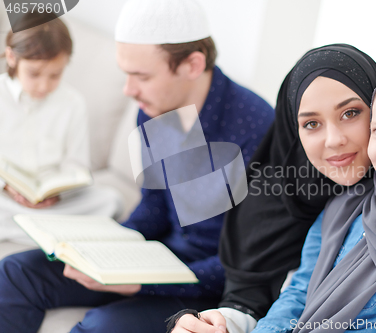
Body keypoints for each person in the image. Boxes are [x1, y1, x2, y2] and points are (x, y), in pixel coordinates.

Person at [0, 0, 274, 332]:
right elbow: (153, 210)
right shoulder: (154, 108)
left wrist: (143, 285)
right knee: (16, 271)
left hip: (207, 285)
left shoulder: (257, 130)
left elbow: (248, 269)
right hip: (157, 260)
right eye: (126, 74)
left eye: (141, 76)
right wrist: (102, 252)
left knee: (101, 327)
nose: (129, 91)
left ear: (192, 65)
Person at [170, 49, 376, 333]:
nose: (334, 139)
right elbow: (293, 293)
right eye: (311, 123)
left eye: (351, 113)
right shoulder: (341, 204)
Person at [0, 13, 122, 243]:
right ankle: (49, 231)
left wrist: (58, 193)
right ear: (12, 57)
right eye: (34, 74)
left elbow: (77, 165)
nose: (44, 85)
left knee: (111, 200)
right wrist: (7, 187)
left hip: (53, 201)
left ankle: (30, 228)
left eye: (55, 75)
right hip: (6, 198)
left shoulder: (72, 103)